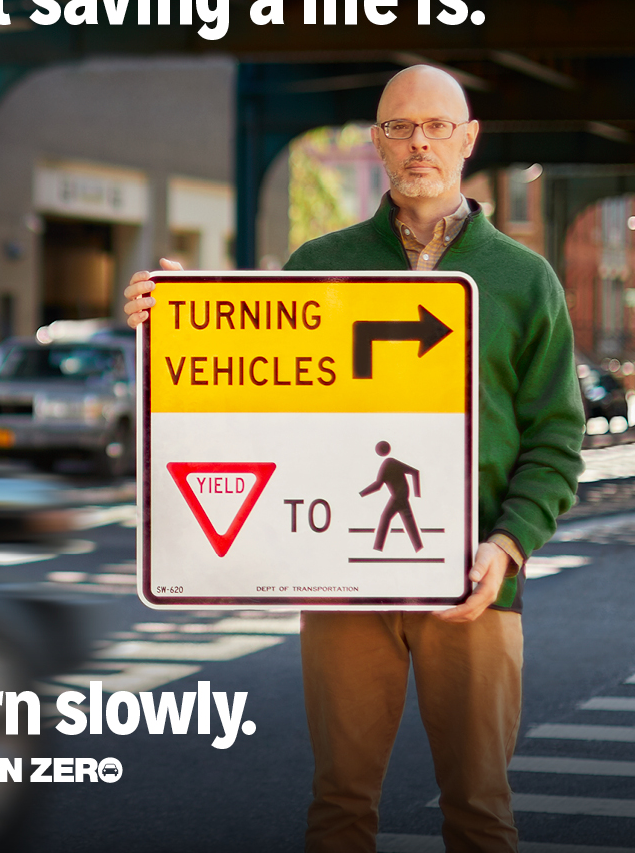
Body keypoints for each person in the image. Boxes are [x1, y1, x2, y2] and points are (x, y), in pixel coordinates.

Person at [123, 65, 585, 853]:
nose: (418, 143)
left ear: (468, 139)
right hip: (342, 583)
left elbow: (557, 438)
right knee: (339, 808)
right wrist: (175, 323)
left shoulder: (524, 279)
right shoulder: (319, 262)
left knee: (479, 811)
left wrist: (506, 547)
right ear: (376, 141)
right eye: (399, 127)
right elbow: (260, 395)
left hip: (470, 588)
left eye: (437, 126)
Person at [359, 441, 423, 553]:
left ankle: (377, 548)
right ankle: (419, 548)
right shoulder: (391, 462)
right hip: (402, 495)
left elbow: (378, 485)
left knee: (385, 517)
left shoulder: (387, 464)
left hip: (398, 496)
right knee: (408, 520)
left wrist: (362, 493)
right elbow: (415, 472)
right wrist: (416, 494)